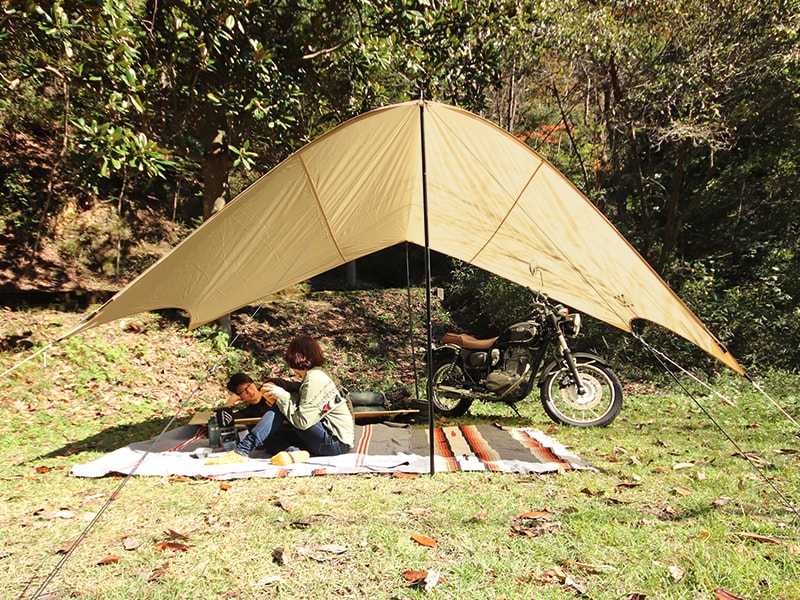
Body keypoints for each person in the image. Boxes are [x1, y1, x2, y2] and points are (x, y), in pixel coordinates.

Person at [216, 335, 355, 462]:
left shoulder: (314, 378)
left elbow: (303, 421)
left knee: (280, 404)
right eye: (243, 392)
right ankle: (294, 453)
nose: (250, 392)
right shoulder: (315, 375)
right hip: (331, 440)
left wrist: (282, 396)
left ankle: (242, 450)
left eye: (249, 387)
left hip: (335, 442)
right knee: (270, 438)